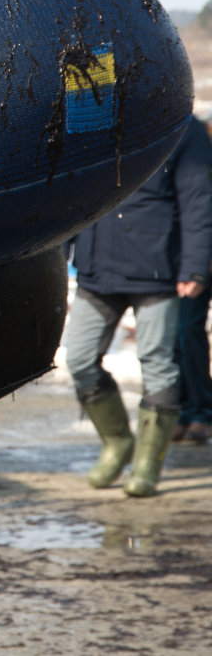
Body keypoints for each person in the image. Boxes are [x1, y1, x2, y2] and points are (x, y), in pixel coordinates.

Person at [68, 118, 212, 497]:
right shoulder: (94, 123)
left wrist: (196, 264)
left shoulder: (185, 130)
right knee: (80, 360)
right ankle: (117, 442)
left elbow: (199, 199)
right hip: (96, 267)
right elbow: (70, 191)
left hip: (157, 271)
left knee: (158, 364)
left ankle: (148, 464)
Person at [175, 119, 212, 443]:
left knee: (187, 331)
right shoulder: (193, 140)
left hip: (198, 258)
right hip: (186, 256)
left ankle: (199, 411)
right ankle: (186, 410)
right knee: (178, 333)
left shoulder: (195, 138)